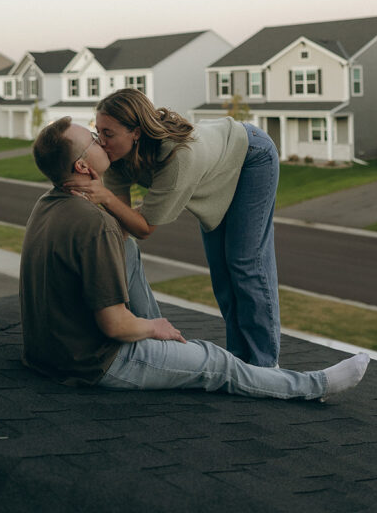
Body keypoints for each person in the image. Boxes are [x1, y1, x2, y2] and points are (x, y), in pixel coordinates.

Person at [20, 116, 370, 402]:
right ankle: (315, 387)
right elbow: (115, 325)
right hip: (99, 361)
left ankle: (165, 348)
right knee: (218, 363)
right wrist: (152, 327)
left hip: (51, 355)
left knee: (128, 249)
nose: (102, 140)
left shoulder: (47, 206)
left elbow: (125, 236)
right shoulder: (94, 223)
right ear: (82, 164)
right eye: (95, 139)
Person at [63, 89, 282, 366]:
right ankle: (241, 360)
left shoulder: (176, 157)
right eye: (98, 132)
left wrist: (103, 196)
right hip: (214, 168)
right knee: (221, 271)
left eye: (109, 133)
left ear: (137, 133)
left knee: (244, 263)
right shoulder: (117, 159)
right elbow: (123, 225)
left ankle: (265, 365)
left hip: (250, 155)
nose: (101, 142)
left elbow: (144, 228)